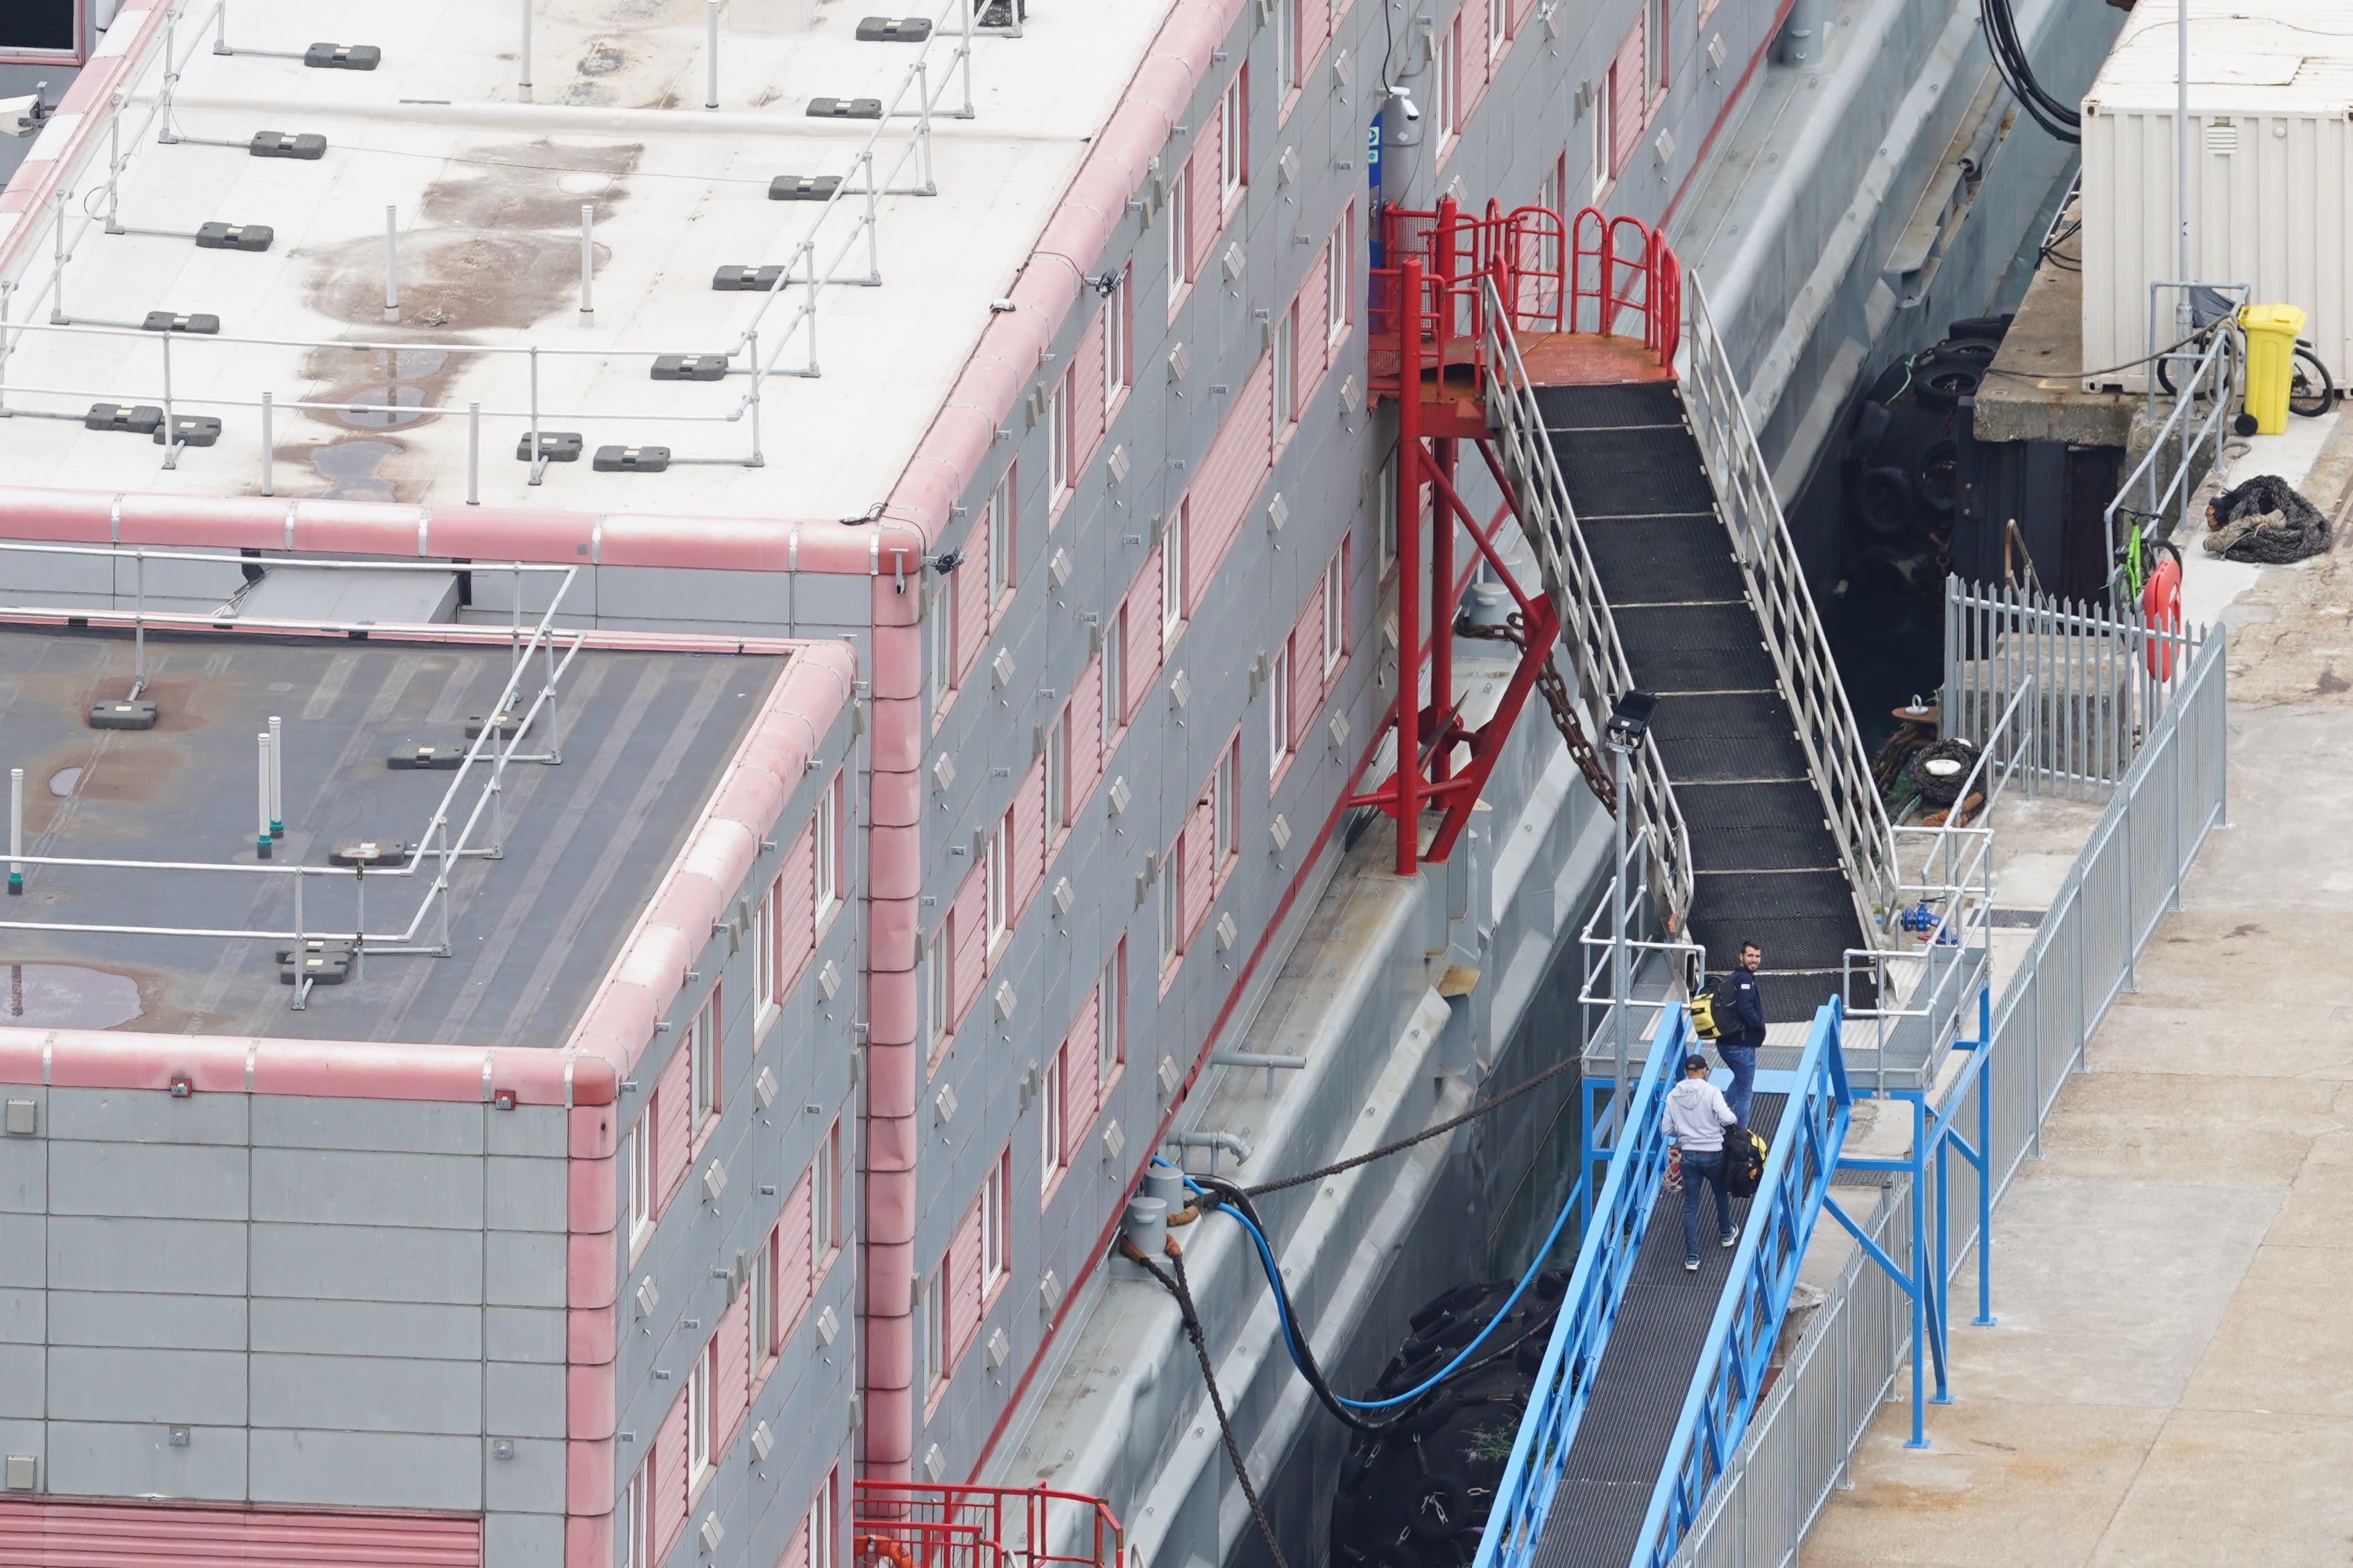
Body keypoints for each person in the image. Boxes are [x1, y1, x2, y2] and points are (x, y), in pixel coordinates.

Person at [1662, 1052, 1739, 1270]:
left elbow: (1666, 1129)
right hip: (1713, 1154)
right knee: (1720, 1194)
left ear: (1686, 1072)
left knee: (1690, 1206)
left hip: (1688, 1156)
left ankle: (1692, 1258)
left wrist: (1685, 1128)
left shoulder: (1672, 1096)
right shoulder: (1711, 1091)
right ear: (1705, 1071)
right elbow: (1729, 1118)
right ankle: (1726, 1233)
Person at [1717, 940, 1766, 1125]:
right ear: (1741, 956)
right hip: (1740, 1045)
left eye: (1757, 956)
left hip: (1725, 1043)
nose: (1754, 960)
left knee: (1739, 1081)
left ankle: (1720, 1116)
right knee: (1746, 1091)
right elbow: (1746, 1009)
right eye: (1750, 956)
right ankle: (1742, 1133)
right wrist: (1760, 1026)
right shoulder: (1745, 980)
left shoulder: (1733, 978)